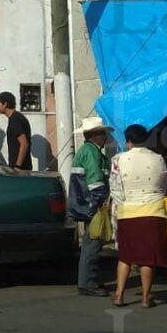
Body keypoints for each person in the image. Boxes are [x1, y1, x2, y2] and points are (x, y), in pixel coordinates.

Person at [110, 124, 167, 308]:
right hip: (153, 212)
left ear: (128, 141)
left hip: (127, 212)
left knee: (125, 256)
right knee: (148, 257)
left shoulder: (118, 159)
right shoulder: (158, 158)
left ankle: (119, 294)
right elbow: (164, 182)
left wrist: (123, 204)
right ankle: (146, 297)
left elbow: (114, 187)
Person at [71, 121, 111, 297]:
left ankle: (88, 279)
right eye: (103, 133)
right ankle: (87, 283)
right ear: (94, 135)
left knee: (91, 243)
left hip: (86, 204)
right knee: (92, 244)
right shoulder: (92, 153)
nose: (105, 137)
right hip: (92, 205)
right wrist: (98, 205)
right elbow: (95, 183)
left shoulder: (89, 151)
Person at [0, 92, 32, 170]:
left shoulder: (15, 120)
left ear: (5, 104)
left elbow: (24, 143)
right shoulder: (16, 117)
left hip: (20, 169)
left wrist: (18, 166)